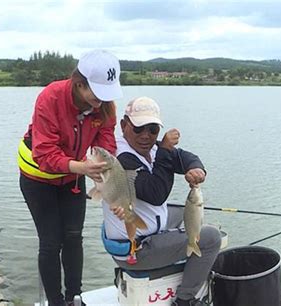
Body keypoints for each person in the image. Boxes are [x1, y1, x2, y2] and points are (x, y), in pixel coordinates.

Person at [18, 49, 123, 306]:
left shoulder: (105, 106)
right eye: (97, 93)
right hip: (38, 178)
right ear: (79, 84)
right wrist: (81, 167)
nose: (102, 100)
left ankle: (74, 297)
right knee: (51, 241)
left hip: (74, 178)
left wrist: (104, 170)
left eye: (107, 93)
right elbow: (44, 154)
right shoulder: (50, 98)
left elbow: (106, 140)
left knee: (74, 236)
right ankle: (55, 302)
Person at [102, 97, 221, 306]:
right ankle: (185, 299)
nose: (146, 136)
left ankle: (186, 252)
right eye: (139, 129)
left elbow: (184, 157)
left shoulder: (151, 149)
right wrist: (165, 150)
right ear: (123, 125)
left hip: (146, 229)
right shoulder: (121, 159)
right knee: (211, 237)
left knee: (182, 209)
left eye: (152, 129)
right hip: (136, 249)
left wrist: (196, 169)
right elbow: (156, 193)